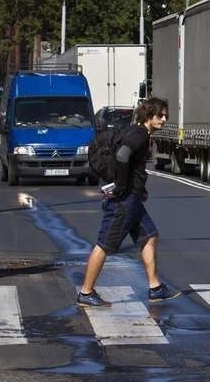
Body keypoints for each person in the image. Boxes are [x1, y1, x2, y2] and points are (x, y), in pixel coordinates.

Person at [76, 97, 180, 307]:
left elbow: (132, 166)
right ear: (149, 115)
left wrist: (140, 190)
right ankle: (86, 293)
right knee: (105, 245)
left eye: (166, 115)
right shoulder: (140, 134)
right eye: (160, 115)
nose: (164, 119)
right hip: (123, 201)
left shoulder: (139, 133)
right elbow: (123, 156)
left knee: (150, 235)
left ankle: (155, 288)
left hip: (132, 198)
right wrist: (122, 186)